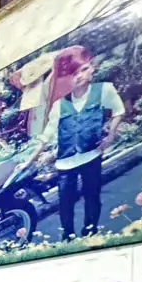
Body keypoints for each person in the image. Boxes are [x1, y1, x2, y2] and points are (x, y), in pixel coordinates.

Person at [36, 53, 125, 239]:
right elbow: (47, 135)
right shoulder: (60, 104)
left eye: (83, 70)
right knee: (65, 202)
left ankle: (90, 232)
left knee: (92, 196)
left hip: (91, 155)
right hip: (65, 162)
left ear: (92, 69)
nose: (79, 76)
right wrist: (31, 160)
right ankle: (67, 236)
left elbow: (118, 110)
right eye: (74, 73)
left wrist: (110, 136)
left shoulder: (103, 90)